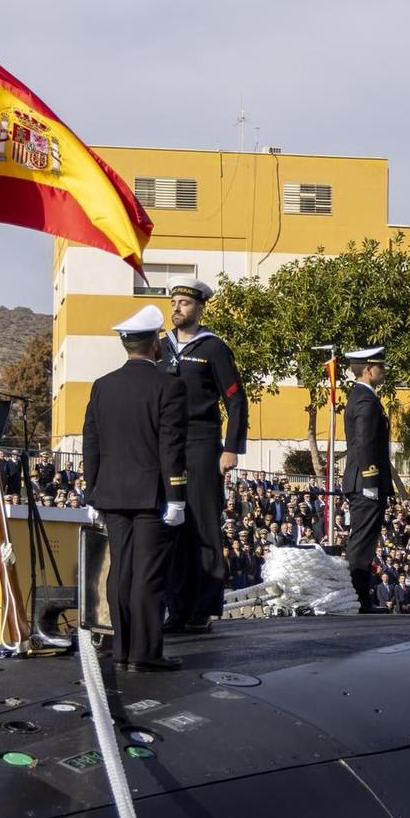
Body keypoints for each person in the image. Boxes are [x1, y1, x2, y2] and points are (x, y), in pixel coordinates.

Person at [82, 305, 188, 672]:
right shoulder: (169, 386)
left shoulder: (102, 386)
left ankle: (122, 650)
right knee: (147, 574)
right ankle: (145, 653)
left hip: (110, 493)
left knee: (120, 573)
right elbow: (171, 447)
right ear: (156, 343)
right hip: (151, 496)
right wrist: (176, 497)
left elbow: (91, 443)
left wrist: (91, 491)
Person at [160, 279, 248, 634]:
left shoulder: (212, 348)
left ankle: (203, 608)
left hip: (201, 443)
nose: (177, 307)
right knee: (171, 527)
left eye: (184, 302)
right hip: (167, 445)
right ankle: (175, 607)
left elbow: (236, 399)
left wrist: (231, 448)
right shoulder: (160, 346)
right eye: (174, 302)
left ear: (200, 308)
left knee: (203, 526)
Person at [341, 347, 397, 613]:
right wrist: (371, 480)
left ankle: (361, 598)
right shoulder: (365, 400)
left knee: (365, 540)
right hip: (365, 483)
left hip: (365, 482)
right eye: (380, 366)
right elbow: (364, 444)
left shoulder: (365, 397)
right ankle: (359, 599)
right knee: (362, 542)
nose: (383, 371)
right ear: (367, 370)